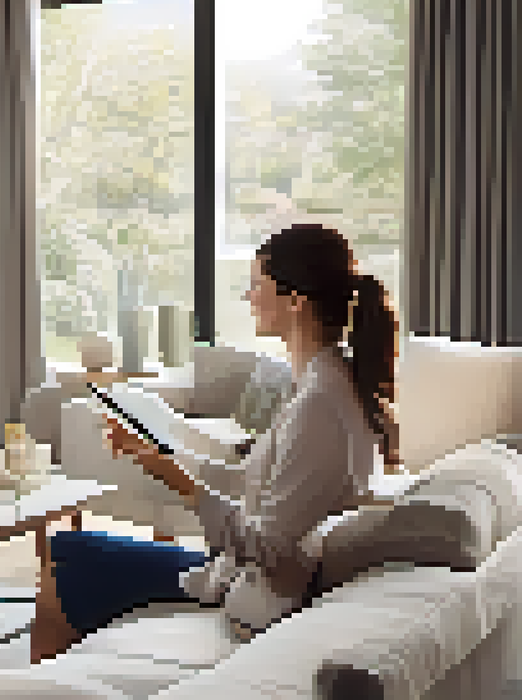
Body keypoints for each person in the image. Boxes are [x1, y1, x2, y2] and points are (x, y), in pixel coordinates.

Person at [30, 223, 400, 662]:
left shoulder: (319, 404)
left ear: (296, 301)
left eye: (257, 286)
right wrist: (158, 458)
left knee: (66, 559)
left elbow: (268, 550)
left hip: (257, 597)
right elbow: (252, 481)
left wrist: (185, 487)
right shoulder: (328, 383)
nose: (248, 298)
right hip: (243, 576)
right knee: (73, 554)